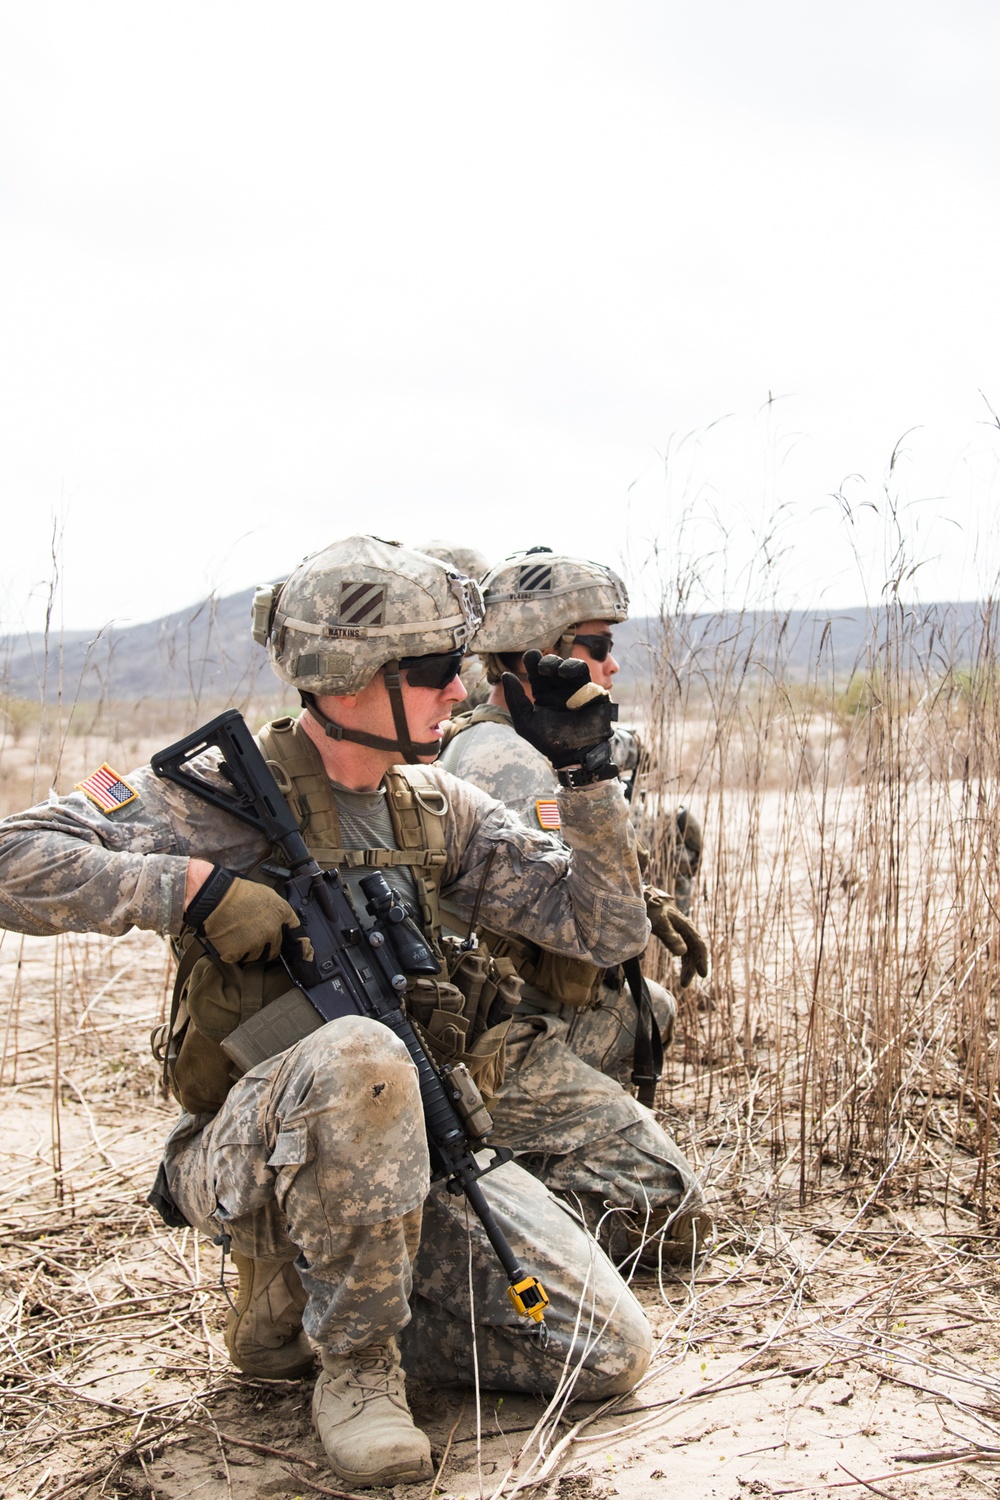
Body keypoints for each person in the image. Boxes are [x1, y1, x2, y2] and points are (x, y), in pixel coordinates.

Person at [0, 536, 655, 1491]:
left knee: (608, 1354)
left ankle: (322, 1293)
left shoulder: (440, 807)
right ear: (350, 678)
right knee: (361, 1053)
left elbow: (604, 933)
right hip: (248, 1146)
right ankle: (356, 1373)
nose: (460, 692)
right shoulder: (208, 797)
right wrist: (184, 888)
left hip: (416, 1142)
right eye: (436, 670)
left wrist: (588, 781)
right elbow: (14, 855)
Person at [438, 547, 713, 1268]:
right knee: (669, 1215)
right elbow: (585, 925)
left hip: (529, 1008)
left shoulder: (521, 743)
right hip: (496, 1042)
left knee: (647, 1008)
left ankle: (545, 1161)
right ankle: (497, 1218)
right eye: (598, 648)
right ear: (537, 661)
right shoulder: (507, 762)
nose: (612, 666)